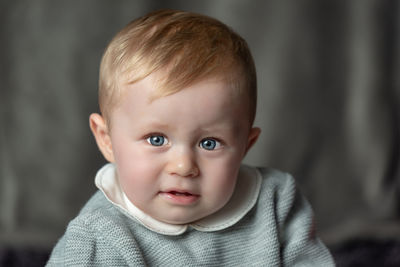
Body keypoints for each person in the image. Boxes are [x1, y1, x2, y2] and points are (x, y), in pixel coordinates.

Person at [46, 9, 334, 266]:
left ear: (246, 145)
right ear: (106, 139)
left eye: (209, 143)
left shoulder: (276, 201)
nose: (183, 166)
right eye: (156, 139)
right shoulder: (99, 238)